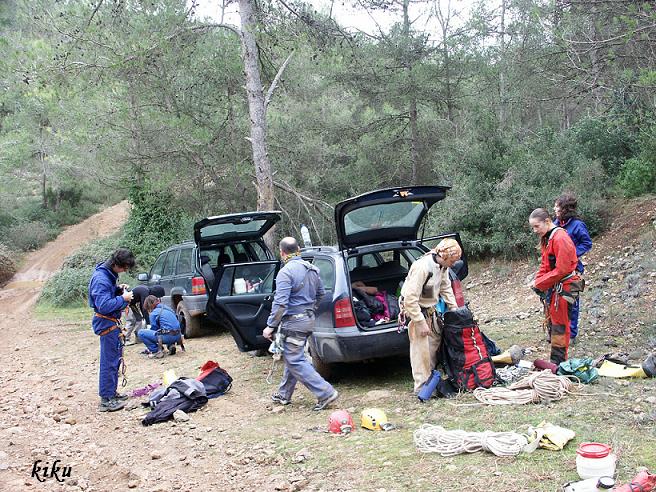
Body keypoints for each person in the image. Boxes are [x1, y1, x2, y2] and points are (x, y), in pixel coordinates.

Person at [262, 237, 339, 411]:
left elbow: (280, 303)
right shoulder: (312, 269)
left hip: (294, 323)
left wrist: (270, 326)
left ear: (282, 253)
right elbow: (321, 294)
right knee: (294, 356)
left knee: (294, 359)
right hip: (308, 320)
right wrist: (310, 310)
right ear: (298, 249)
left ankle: (325, 392)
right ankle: (284, 394)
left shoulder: (285, 272)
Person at [400, 238, 462, 393]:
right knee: (420, 350)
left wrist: (455, 309)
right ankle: (421, 387)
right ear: (445, 256)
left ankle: (431, 381)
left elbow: (445, 286)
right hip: (416, 311)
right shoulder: (422, 267)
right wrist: (420, 322)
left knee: (432, 346)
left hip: (430, 309)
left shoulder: (442, 266)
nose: (454, 264)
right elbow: (409, 299)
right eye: (453, 261)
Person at [529, 208, 581, 365]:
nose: (534, 230)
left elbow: (563, 269)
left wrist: (540, 283)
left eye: (536, 226)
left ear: (547, 221)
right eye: (532, 227)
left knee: (560, 325)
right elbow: (545, 265)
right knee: (555, 324)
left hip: (567, 285)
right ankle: (556, 361)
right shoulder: (549, 238)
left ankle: (558, 363)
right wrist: (538, 282)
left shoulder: (560, 238)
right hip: (558, 285)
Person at [88, 248, 135, 412]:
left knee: (114, 359)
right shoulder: (101, 279)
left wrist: (117, 289)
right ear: (115, 264)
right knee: (109, 361)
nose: (124, 271)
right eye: (123, 268)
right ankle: (106, 400)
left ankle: (111, 393)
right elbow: (104, 305)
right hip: (106, 323)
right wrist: (123, 298)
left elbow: (107, 296)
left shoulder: (108, 276)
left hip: (111, 323)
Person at [553, 192, 592, 342]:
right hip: (556, 271)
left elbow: (587, 243)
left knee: (571, 303)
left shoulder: (577, 225)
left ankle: (572, 335)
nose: (554, 209)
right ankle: (557, 333)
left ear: (565, 209)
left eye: (557, 206)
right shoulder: (555, 225)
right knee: (556, 302)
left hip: (573, 271)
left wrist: (571, 254)